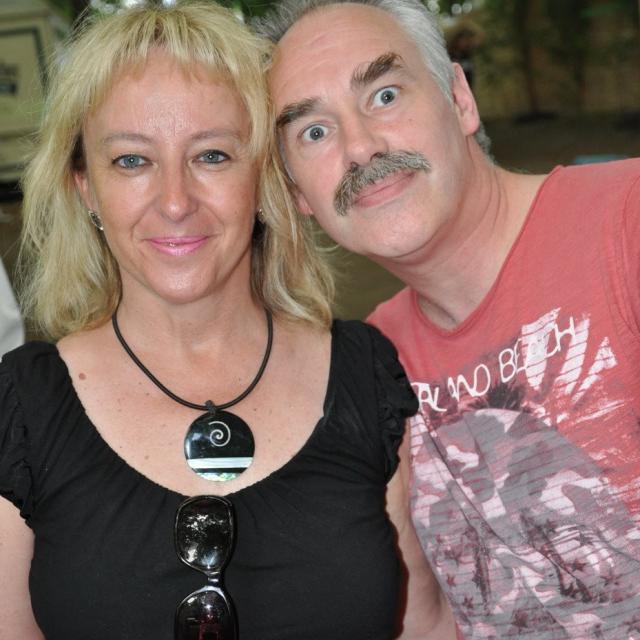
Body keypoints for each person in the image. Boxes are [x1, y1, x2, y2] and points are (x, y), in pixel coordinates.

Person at [0, 2, 443, 639]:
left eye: (212, 155)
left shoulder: (365, 374)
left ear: (262, 177)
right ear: (85, 186)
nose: (175, 201)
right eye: (131, 161)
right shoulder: (21, 407)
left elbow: (423, 625)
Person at [256, 1, 640, 638]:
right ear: (297, 192)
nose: (360, 147)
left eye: (384, 96)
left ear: (460, 100)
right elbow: (423, 617)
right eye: (314, 132)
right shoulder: (367, 369)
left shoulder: (625, 225)